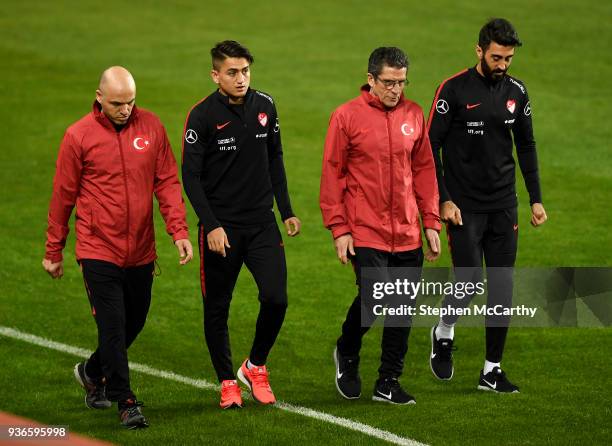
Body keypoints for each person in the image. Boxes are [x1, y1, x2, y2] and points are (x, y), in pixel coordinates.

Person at [42, 66, 193, 429]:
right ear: (99, 97)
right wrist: (54, 249)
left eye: (131, 102)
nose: (126, 109)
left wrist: (179, 231)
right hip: (98, 249)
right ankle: (125, 401)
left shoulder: (152, 127)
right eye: (117, 103)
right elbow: (63, 196)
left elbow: (168, 182)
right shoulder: (78, 136)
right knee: (112, 326)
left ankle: (93, 372)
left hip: (141, 250)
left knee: (134, 322)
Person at [427, 18, 547, 393]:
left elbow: (526, 146)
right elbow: (430, 147)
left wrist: (536, 199)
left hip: (503, 204)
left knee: (501, 285)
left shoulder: (517, 91)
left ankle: (491, 370)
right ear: (479, 51)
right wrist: (443, 199)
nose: (503, 65)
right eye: (497, 57)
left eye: (508, 58)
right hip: (463, 206)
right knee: (468, 281)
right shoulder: (453, 90)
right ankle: (444, 328)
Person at [182, 40, 301, 409]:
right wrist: (211, 225)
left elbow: (275, 158)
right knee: (217, 307)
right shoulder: (201, 116)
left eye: (245, 71)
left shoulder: (265, 105)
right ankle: (226, 381)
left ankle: (255, 366)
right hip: (222, 230)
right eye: (232, 72)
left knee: (276, 298)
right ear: (215, 74)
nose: (241, 79)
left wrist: (286, 211)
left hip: (262, 224)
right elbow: (190, 177)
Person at [320, 47, 441, 405]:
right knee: (375, 299)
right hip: (366, 229)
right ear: (370, 79)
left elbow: (424, 171)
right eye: (388, 82)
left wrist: (431, 221)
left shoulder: (414, 114)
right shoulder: (345, 117)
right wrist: (339, 229)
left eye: (401, 82)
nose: (395, 90)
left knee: (402, 307)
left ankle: (388, 380)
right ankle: (348, 350)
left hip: (407, 231)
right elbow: (332, 175)